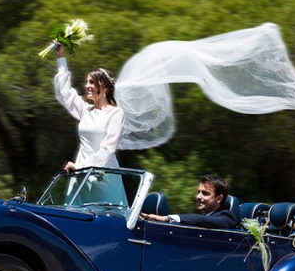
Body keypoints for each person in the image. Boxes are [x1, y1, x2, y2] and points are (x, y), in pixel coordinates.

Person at [53, 42, 124, 173]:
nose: (87, 86)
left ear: (105, 87)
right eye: (86, 82)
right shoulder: (86, 111)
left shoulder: (116, 113)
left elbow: (108, 149)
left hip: (105, 176)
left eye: (92, 82)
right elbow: (65, 92)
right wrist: (61, 57)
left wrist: (81, 166)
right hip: (81, 174)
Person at [141, 174, 237, 229]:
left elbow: (205, 221)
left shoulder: (227, 217)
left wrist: (165, 219)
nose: (198, 196)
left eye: (205, 193)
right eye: (198, 192)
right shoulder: (203, 217)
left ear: (219, 198)